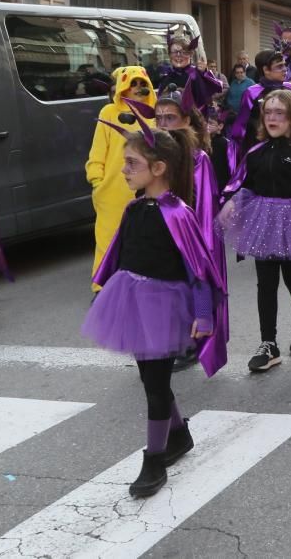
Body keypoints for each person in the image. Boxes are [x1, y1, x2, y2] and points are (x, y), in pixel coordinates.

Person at [82, 122, 227, 498]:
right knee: (151, 380)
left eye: (131, 163)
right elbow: (120, 256)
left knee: (156, 385)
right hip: (131, 301)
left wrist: (204, 315)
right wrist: (106, 293)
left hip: (165, 308)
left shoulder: (178, 214)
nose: (124, 170)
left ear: (158, 168)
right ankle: (178, 434)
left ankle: (154, 459)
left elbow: (198, 270)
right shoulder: (134, 209)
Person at [219, 90, 291, 372]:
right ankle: (269, 343)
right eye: (268, 113)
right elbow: (244, 182)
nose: (273, 118)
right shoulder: (255, 152)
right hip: (263, 223)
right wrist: (231, 200)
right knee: (265, 283)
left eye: (280, 113)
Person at [148, 90, 226, 371]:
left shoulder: (198, 157)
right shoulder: (154, 153)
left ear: (186, 120)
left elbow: (203, 203)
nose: (163, 123)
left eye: (170, 117)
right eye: (158, 118)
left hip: (189, 232)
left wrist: (197, 242)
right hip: (162, 231)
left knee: (191, 284)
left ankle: (191, 342)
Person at [86, 66, 157, 292]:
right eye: (132, 83)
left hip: (146, 188)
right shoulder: (108, 112)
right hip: (112, 191)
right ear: (123, 86)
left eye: (141, 83)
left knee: (143, 239)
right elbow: (98, 151)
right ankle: (103, 287)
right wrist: (97, 181)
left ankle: (139, 283)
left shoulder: (154, 113)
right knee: (108, 238)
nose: (138, 88)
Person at [152, 35, 223, 115]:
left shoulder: (195, 74)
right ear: (169, 55)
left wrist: (204, 73)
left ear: (191, 54)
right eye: (175, 52)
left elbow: (214, 89)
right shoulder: (167, 75)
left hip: (192, 122)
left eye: (183, 52)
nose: (178, 56)